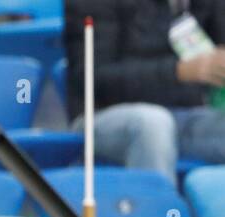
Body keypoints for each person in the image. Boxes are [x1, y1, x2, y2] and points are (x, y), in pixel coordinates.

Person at [67, 0, 225, 184]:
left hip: (187, 115)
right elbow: (92, 79)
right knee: (153, 122)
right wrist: (178, 71)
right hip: (103, 116)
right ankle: (161, 211)